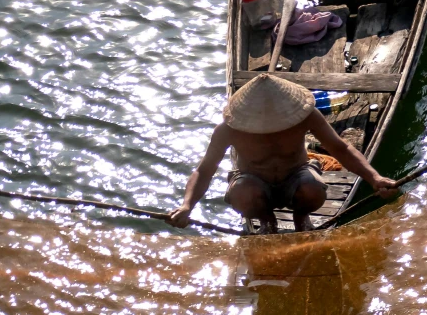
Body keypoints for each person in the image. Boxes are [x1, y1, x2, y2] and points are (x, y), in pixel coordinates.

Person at [168, 74, 398, 229]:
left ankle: (301, 217)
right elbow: (204, 170)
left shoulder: (304, 116)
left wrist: (374, 178)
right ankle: (266, 222)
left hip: (297, 175)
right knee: (242, 193)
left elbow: (341, 148)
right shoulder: (229, 129)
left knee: (312, 188)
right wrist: (187, 205)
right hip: (254, 180)